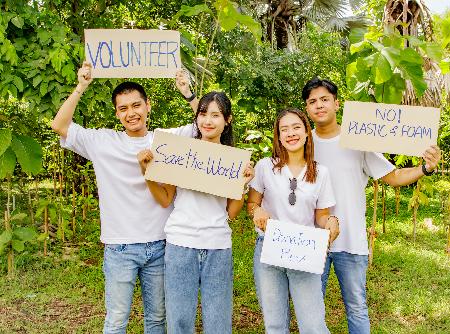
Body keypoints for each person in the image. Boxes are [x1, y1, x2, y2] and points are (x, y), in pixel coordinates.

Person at [50, 62, 194, 334]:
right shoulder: (103, 142)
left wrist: (187, 93)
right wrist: (81, 85)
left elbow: (204, 124)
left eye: (136, 105)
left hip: (161, 245)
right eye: (123, 108)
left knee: (157, 319)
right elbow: (60, 125)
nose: (131, 113)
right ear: (117, 113)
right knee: (117, 320)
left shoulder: (167, 140)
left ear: (148, 106)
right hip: (119, 248)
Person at [301, 77, 442, 334]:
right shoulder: (302, 144)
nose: (319, 105)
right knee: (311, 309)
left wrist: (425, 168)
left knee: (356, 307)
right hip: (310, 241)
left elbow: (393, 177)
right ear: (307, 109)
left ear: (336, 103)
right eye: (312, 101)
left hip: (352, 241)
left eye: (324, 99)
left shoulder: (358, 140)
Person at [138, 91, 254, 334]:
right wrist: (147, 175)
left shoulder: (234, 162)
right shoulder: (179, 153)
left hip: (218, 245)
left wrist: (242, 185)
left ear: (227, 120)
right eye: (203, 114)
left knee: (218, 321)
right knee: (179, 320)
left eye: (215, 115)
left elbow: (232, 213)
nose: (207, 121)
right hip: (180, 244)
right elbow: (165, 199)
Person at [246, 108, 340, 334]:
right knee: (275, 325)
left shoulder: (320, 172)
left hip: (304, 252)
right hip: (269, 251)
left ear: (307, 132)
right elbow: (252, 204)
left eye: (296, 127)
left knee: (313, 325)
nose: (291, 133)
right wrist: (257, 211)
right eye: (284, 129)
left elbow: (321, 215)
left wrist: (332, 221)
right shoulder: (264, 167)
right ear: (278, 137)